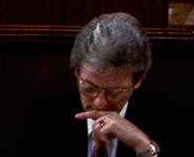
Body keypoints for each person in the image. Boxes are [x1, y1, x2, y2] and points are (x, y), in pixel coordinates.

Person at [59, 12, 169, 157]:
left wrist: (142, 145)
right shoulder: (45, 117)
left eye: (114, 91)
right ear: (77, 72)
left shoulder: (167, 119)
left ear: (138, 79)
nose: (99, 103)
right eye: (89, 88)